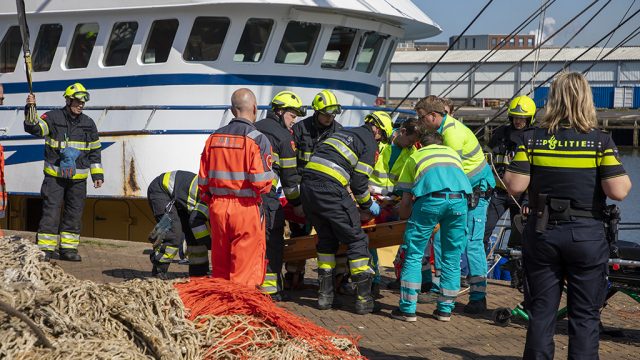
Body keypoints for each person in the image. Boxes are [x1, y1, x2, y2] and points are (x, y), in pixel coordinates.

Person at [504, 72, 631, 359]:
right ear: (586, 100)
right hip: (586, 234)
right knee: (584, 316)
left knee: (541, 312)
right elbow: (619, 191)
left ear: (552, 100)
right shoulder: (599, 141)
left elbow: (515, 185)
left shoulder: (531, 139)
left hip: (542, 231)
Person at [300, 111, 393, 314]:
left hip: (307, 189)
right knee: (357, 240)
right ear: (377, 129)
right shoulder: (369, 143)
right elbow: (359, 183)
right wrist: (369, 206)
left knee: (326, 240)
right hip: (329, 189)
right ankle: (364, 300)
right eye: (382, 137)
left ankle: (325, 298)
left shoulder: (343, 133)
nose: (380, 141)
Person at [415, 96, 495, 314]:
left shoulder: (452, 134)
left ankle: (478, 297)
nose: (419, 121)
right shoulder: (443, 131)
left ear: (433, 116)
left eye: (421, 117)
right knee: (442, 238)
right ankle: (441, 289)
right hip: (461, 191)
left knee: (472, 243)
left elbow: (448, 170)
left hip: (476, 192)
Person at [392, 130, 471, 322]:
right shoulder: (453, 155)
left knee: (414, 253)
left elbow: (405, 200)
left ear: (420, 144)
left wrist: (402, 217)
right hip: (459, 201)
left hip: (430, 201)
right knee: (451, 256)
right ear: (442, 143)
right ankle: (445, 310)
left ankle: (408, 309)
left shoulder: (415, 156)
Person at [198, 88, 273, 287]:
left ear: (233, 110)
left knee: (221, 266)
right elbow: (261, 183)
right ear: (255, 109)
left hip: (217, 209)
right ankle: (242, 312)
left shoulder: (213, 139)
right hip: (246, 209)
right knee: (245, 269)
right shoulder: (257, 139)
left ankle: (221, 311)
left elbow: (203, 181)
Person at [24, 83, 103, 261]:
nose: (80, 105)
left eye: (83, 102)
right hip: (55, 178)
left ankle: (68, 249)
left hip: (78, 179)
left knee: (74, 213)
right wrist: (30, 108)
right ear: (68, 100)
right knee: (51, 211)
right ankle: (45, 249)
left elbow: (95, 151)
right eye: (77, 101)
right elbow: (34, 128)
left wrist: (97, 175)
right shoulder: (52, 117)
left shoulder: (88, 123)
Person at [287, 89, 344, 289]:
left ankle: (335, 280)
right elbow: (290, 165)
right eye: (326, 114)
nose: (330, 118)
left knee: (331, 234)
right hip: (303, 189)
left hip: (327, 190)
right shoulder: (301, 129)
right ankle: (293, 275)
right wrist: (296, 199)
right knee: (299, 235)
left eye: (332, 115)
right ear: (316, 112)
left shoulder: (338, 131)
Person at [255, 90, 306, 300]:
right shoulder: (284, 137)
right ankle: (271, 289)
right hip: (267, 196)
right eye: (292, 115)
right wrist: (297, 204)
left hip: (245, 196)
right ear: (279, 111)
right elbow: (290, 180)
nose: (294, 121)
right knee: (273, 239)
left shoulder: (254, 128)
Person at [368, 118, 420, 294]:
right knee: (369, 238)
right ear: (403, 132)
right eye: (411, 140)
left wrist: (396, 200)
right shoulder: (381, 146)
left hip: (397, 203)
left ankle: (402, 277)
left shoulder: (412, 153)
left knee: (406, 239)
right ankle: (373, 279)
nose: (412, 144)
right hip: (374, 199)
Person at [484, 95, 535, 251]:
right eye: (515, 117)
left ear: (530, 119)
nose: (518, 121)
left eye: (522, 118)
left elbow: (536, 173)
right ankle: (478, 266)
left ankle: (516, 271)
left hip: (521, 195)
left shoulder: (533, 138)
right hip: (498, 193)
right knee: (484, 231)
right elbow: (486, 159)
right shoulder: (500, 134)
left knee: (520, 235)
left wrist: (528, 200)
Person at [147, 170, 211, 279]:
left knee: (194, 236)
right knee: (173, 233)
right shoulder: (212, 200)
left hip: (180, 199)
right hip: (161, 190)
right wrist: (209, 243)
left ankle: (199, 273)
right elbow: (195, 221)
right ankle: (159, 270)